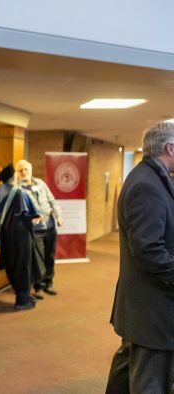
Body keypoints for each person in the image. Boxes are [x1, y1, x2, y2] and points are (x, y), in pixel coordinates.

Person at [106, 122, 174, 393]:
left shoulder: (152, 177)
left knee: (128, 368)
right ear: (170, 148)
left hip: (143, 306)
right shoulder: (147, 185)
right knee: (150, 380)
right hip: (152, 307)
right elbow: (149, 252)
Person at [0, 165, 44, 310]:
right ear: (14, 177)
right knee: (24, 265)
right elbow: (36, 215)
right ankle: (22, 299)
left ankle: (22, 296)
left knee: (13, 264)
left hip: (7, 234)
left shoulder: (3, 194)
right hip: (21, 235)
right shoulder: (21, 193)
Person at [16, 159, 63, 300]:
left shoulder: (41, 184)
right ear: (17, 173)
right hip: (35, 230)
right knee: (39, 258)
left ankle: (48, 283)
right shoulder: (18, 189)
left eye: (26, 169)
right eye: (21, 170)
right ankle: (39, 287)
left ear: (31, 170)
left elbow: (52, 200)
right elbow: (18, 211)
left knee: (50, 256)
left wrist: (58, 216)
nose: (24, 172)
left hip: (49, 226)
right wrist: (30, 218)